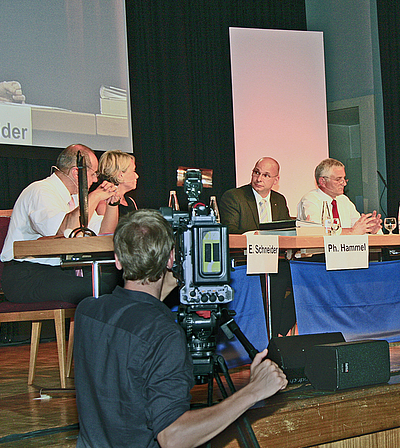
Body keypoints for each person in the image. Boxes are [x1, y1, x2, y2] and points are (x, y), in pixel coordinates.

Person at [74, 209, 287, 448]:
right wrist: (253, 391)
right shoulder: (163, 333)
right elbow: (172, 436)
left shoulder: (86, 312)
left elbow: (134, 313)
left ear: (117, 259)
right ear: (170, 259)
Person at [0, 144, 120, 304]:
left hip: (60, 271)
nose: (96, 180)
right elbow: (60, 229)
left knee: (117, 286)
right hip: (28, 274)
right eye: (93, 174)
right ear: (76, 173)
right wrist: (95, 196)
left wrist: (112, 204)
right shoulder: (41, 191)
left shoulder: (76, 199)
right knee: (100, 289)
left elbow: (105, 233)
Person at [219, 157, 296, 337]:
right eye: (256, 172)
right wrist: (256, 236)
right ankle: (263, 337)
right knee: (274, 285)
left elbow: (283, 232)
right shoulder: (234, 197)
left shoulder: (279, 199)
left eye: (266, 175)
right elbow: (229, 230)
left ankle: (277, 333)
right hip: (245, 261)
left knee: (304, 283)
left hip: (274, 260)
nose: (259, 178)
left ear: (275, 180)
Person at [297, 158, 382, 235]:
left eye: (344, 179)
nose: (344, 183)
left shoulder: (343, 200)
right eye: (338, 179)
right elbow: (317, 232)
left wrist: (371, 230)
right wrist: (352, 231)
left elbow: (357, 227)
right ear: (323, 181)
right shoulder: (311, 200)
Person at [94, 149, 139, 217]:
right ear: (120, 175)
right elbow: (106, 227)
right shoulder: (103, 203)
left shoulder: (130, 201)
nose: (136, 176)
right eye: (133, 171)